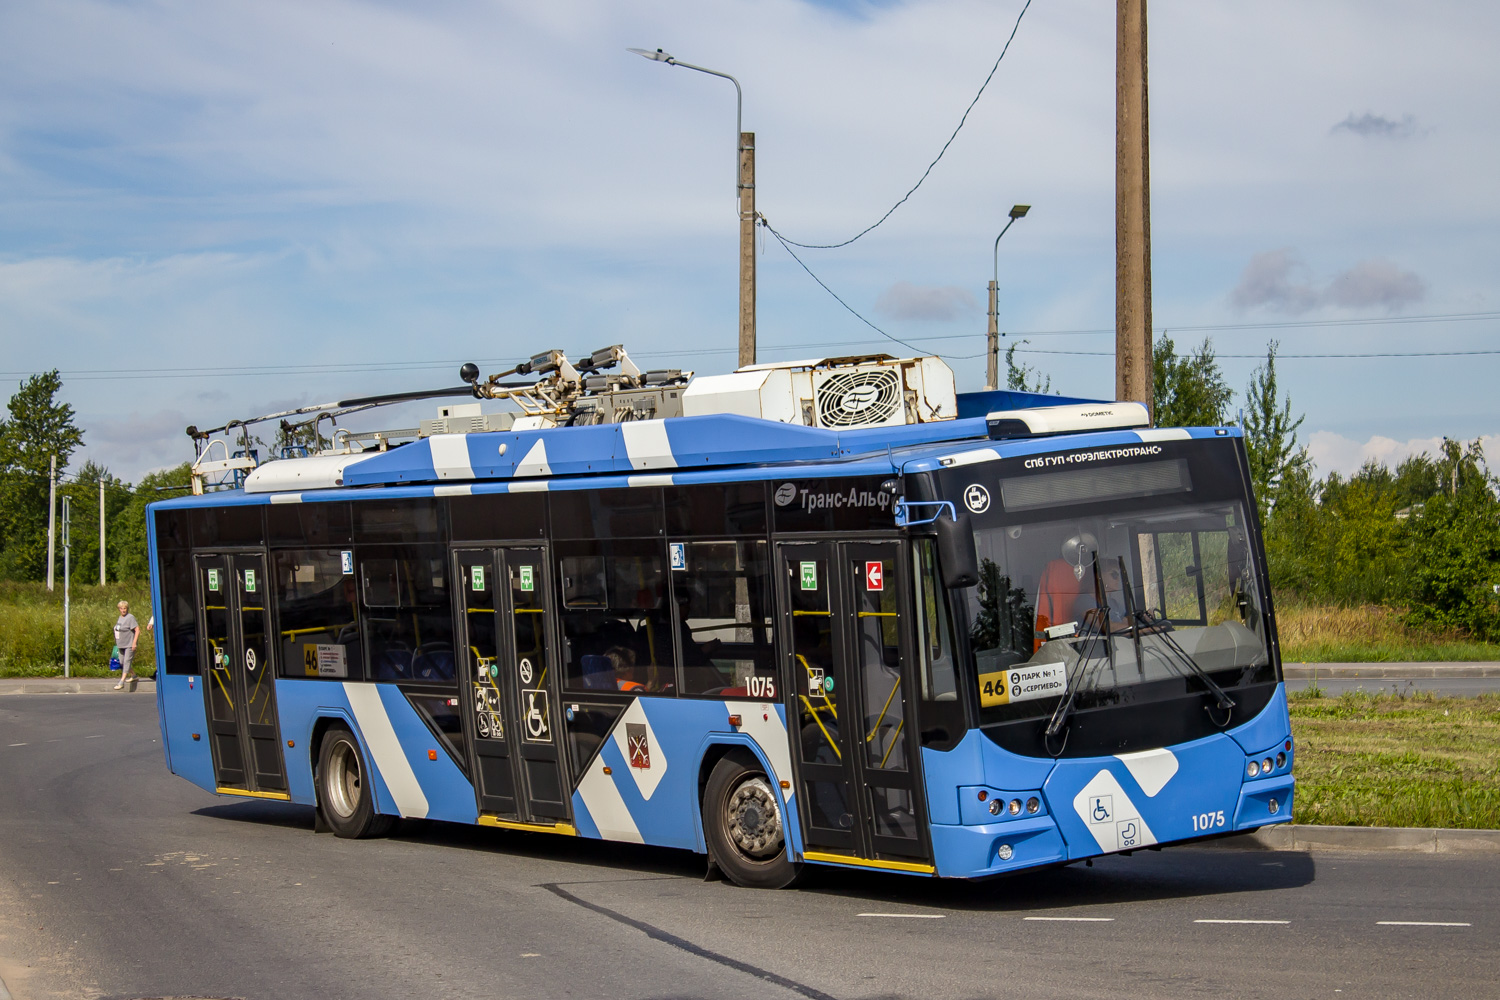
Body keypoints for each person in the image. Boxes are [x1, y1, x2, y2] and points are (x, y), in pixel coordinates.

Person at [113, 601, 140, 691]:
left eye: (125, 608)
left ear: (127, 609)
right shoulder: (120, 618)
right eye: (121, 608)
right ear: (119, 609)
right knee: (122, 662)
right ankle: (134, 675)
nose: (123, 610)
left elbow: (137, 630)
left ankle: (121, 682)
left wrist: (134, 643)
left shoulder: (130, 617)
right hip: (121, 644)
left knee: (127, 662)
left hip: (129, 644)